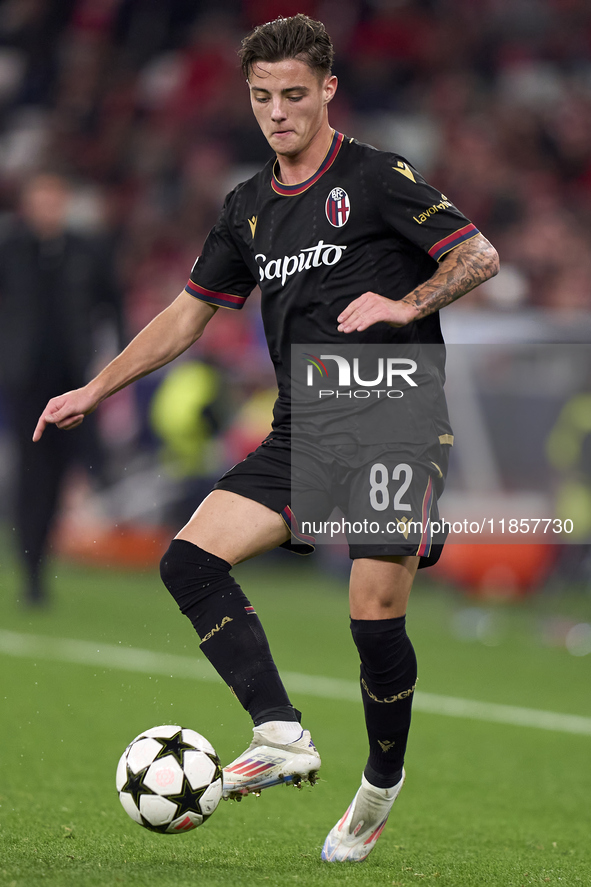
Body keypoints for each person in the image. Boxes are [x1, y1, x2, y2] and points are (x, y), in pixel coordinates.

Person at [34, 16, 499, 861]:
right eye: (262, 98)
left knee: (373, 613)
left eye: (293, 94)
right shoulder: (247, 208)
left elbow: (476, 255)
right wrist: (96, 387)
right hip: (305, 424)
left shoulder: (376, 177)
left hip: (394, 415)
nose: (277, 112)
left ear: (326, 90)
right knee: (187, 558)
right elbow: (187, 313)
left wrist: (408, 303)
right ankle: (279, 730)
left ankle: (379, 782)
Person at [0, 172, 122, 605]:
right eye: (41, 200)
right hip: (25, 383)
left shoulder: (86, 250)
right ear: (28, 204)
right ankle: (31, 572)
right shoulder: (10, 249)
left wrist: (118, 366)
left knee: (65, 475)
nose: (48, 208)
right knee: (31, 477)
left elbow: (114, 305)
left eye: (55, 200)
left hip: (75, 385)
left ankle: (50, 557)